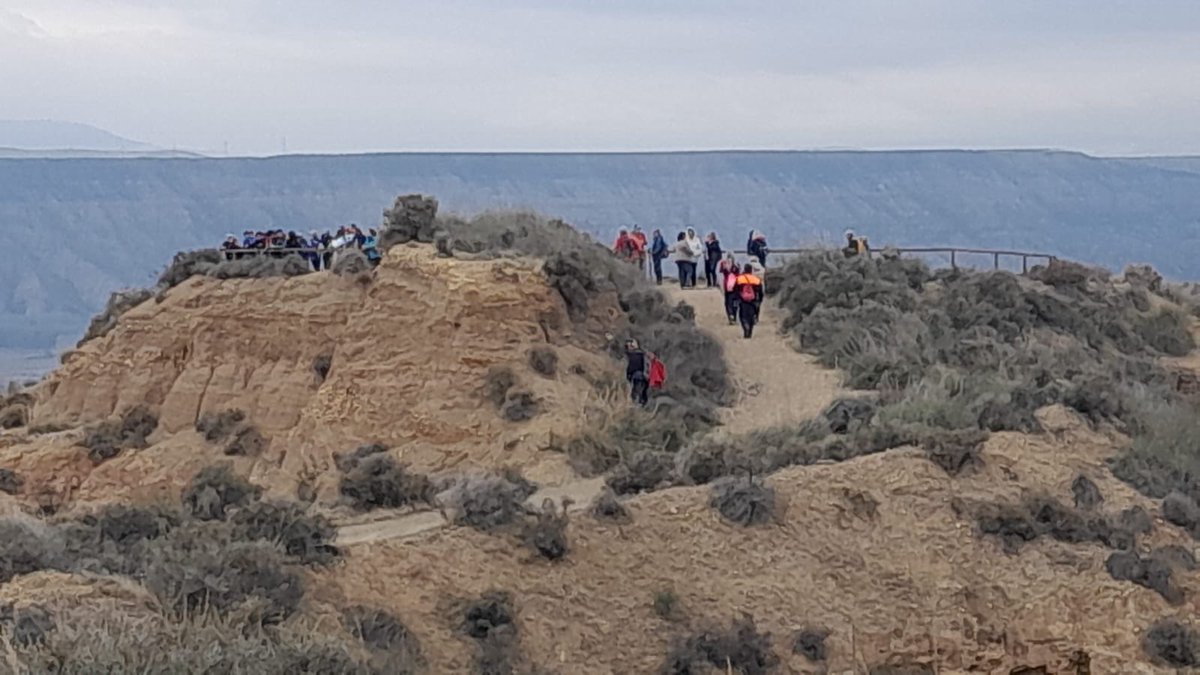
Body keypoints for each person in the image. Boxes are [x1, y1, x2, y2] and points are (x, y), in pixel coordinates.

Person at [733, 263, 764, 339]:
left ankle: (745, 328)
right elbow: (761, 292)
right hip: (753, 301)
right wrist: (759, 300)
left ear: (744, 269)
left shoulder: (739, 279)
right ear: (751, 270)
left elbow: (735, 290)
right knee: (752, 316)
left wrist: (737, 298)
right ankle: (749, 331)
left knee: (743, 316)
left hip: (743, 300)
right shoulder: (756, 280)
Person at [624, 339, 650, 406]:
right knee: (640, 393)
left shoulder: (636, 355)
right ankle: (641, 405)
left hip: (639, 377)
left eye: (630, 346)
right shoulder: (641, 355)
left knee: (637, 393)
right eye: (627, 346)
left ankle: (639, 405)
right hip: (640, 377)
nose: (628, 348)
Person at [719, 253, 740, 324]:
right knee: (735, 302)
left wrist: (724, 264)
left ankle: (730, 316)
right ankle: (734, 315)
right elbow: (738, 274)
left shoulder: (725, 266)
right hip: (736, 287)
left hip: (727, 287)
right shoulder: (736, 266)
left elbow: (721, 271)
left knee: (727, 303)